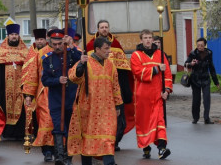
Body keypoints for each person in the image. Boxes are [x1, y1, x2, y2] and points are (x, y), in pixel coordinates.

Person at [68, 37, 123, 165]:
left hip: (108, 109)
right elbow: (73, 77)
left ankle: (110, 163)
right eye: (106, 48)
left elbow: (115, 86)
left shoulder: (110, 65)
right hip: (89, 109)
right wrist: (81, 65)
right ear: (97, 49)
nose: (109, 51)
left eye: (109, 48)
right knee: (87, 141)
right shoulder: (86, 62)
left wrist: (118, 105)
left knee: (108, 138)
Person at [85, 20, 133, 151]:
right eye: (102, 27)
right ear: (98, 29)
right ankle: (101, 142)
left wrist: (126, 90)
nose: (104, 29)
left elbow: (123, 70)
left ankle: (114, 141)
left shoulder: (116, 44)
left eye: (106, 27)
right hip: (97, 90)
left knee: (119, 117)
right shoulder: (90, 45)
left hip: (116, 87)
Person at [41, 29, 86, 165]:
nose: (57, 46)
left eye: (60, 43)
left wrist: (71, 45)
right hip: (56, 100)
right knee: (58, 127)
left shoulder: (72, 55)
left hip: (71, 98)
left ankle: (68, 156)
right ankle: (59, 156)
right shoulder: (47, 59)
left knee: (70, 128)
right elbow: (45, 80)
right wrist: (57, 80)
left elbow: (82, 61)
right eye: (54, 44)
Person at [130, 29, 173, 160]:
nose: (148, 40)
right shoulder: (136, 55)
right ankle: (146, 147)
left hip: (157, 94)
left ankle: (161, 148)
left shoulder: (160, 54)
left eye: (150, 37)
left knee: (159, 120)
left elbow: (167, 74)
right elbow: (138, 73)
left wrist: (166, 90)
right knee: (144, 123)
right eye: (145, 38)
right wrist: (156, 68)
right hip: (142, 95)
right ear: (141, 40)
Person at [0, 24, 29, 139]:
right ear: (8, 36)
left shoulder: (25, 52)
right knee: (4, 106)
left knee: (22, 109)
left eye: (16, 34)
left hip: (21, 87)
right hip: (5, 88)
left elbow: (30, 68)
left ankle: (20, 133)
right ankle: (7, 133)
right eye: (12, 35)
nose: (14, 37)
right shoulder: (1, 52)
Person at [21, 28, 55, 162]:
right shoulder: (40, 54)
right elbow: (32, 75)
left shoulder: (63, 51)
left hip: (58, 91)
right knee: (46, 121)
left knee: (58, 121)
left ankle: (57, 149)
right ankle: (47, 150)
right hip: (43, 93)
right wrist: (28, 94)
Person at [184, 37, 219, 124]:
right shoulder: (193, 53)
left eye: (201, 45)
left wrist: (216, 81)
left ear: (205, 45)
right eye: (198, 45)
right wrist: (191, 64)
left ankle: (206, 118)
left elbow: (211, 67)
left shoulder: (209, 53)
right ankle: (195, 117)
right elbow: (186, 63)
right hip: (195, 79)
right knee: (196, 99)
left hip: (205, 79)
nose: (199, 47)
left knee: (207, 99)